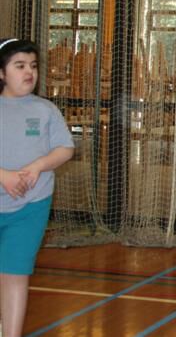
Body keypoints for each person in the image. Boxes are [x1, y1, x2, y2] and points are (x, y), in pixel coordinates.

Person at [0, 39, 74, 337]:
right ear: (1, 73)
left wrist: (37, 166)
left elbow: (65, 148)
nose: (29, 72)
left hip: (31, 206)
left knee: (15, 273)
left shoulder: (46, 110)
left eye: (33, 65)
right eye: (19, 66)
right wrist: (4, 176)